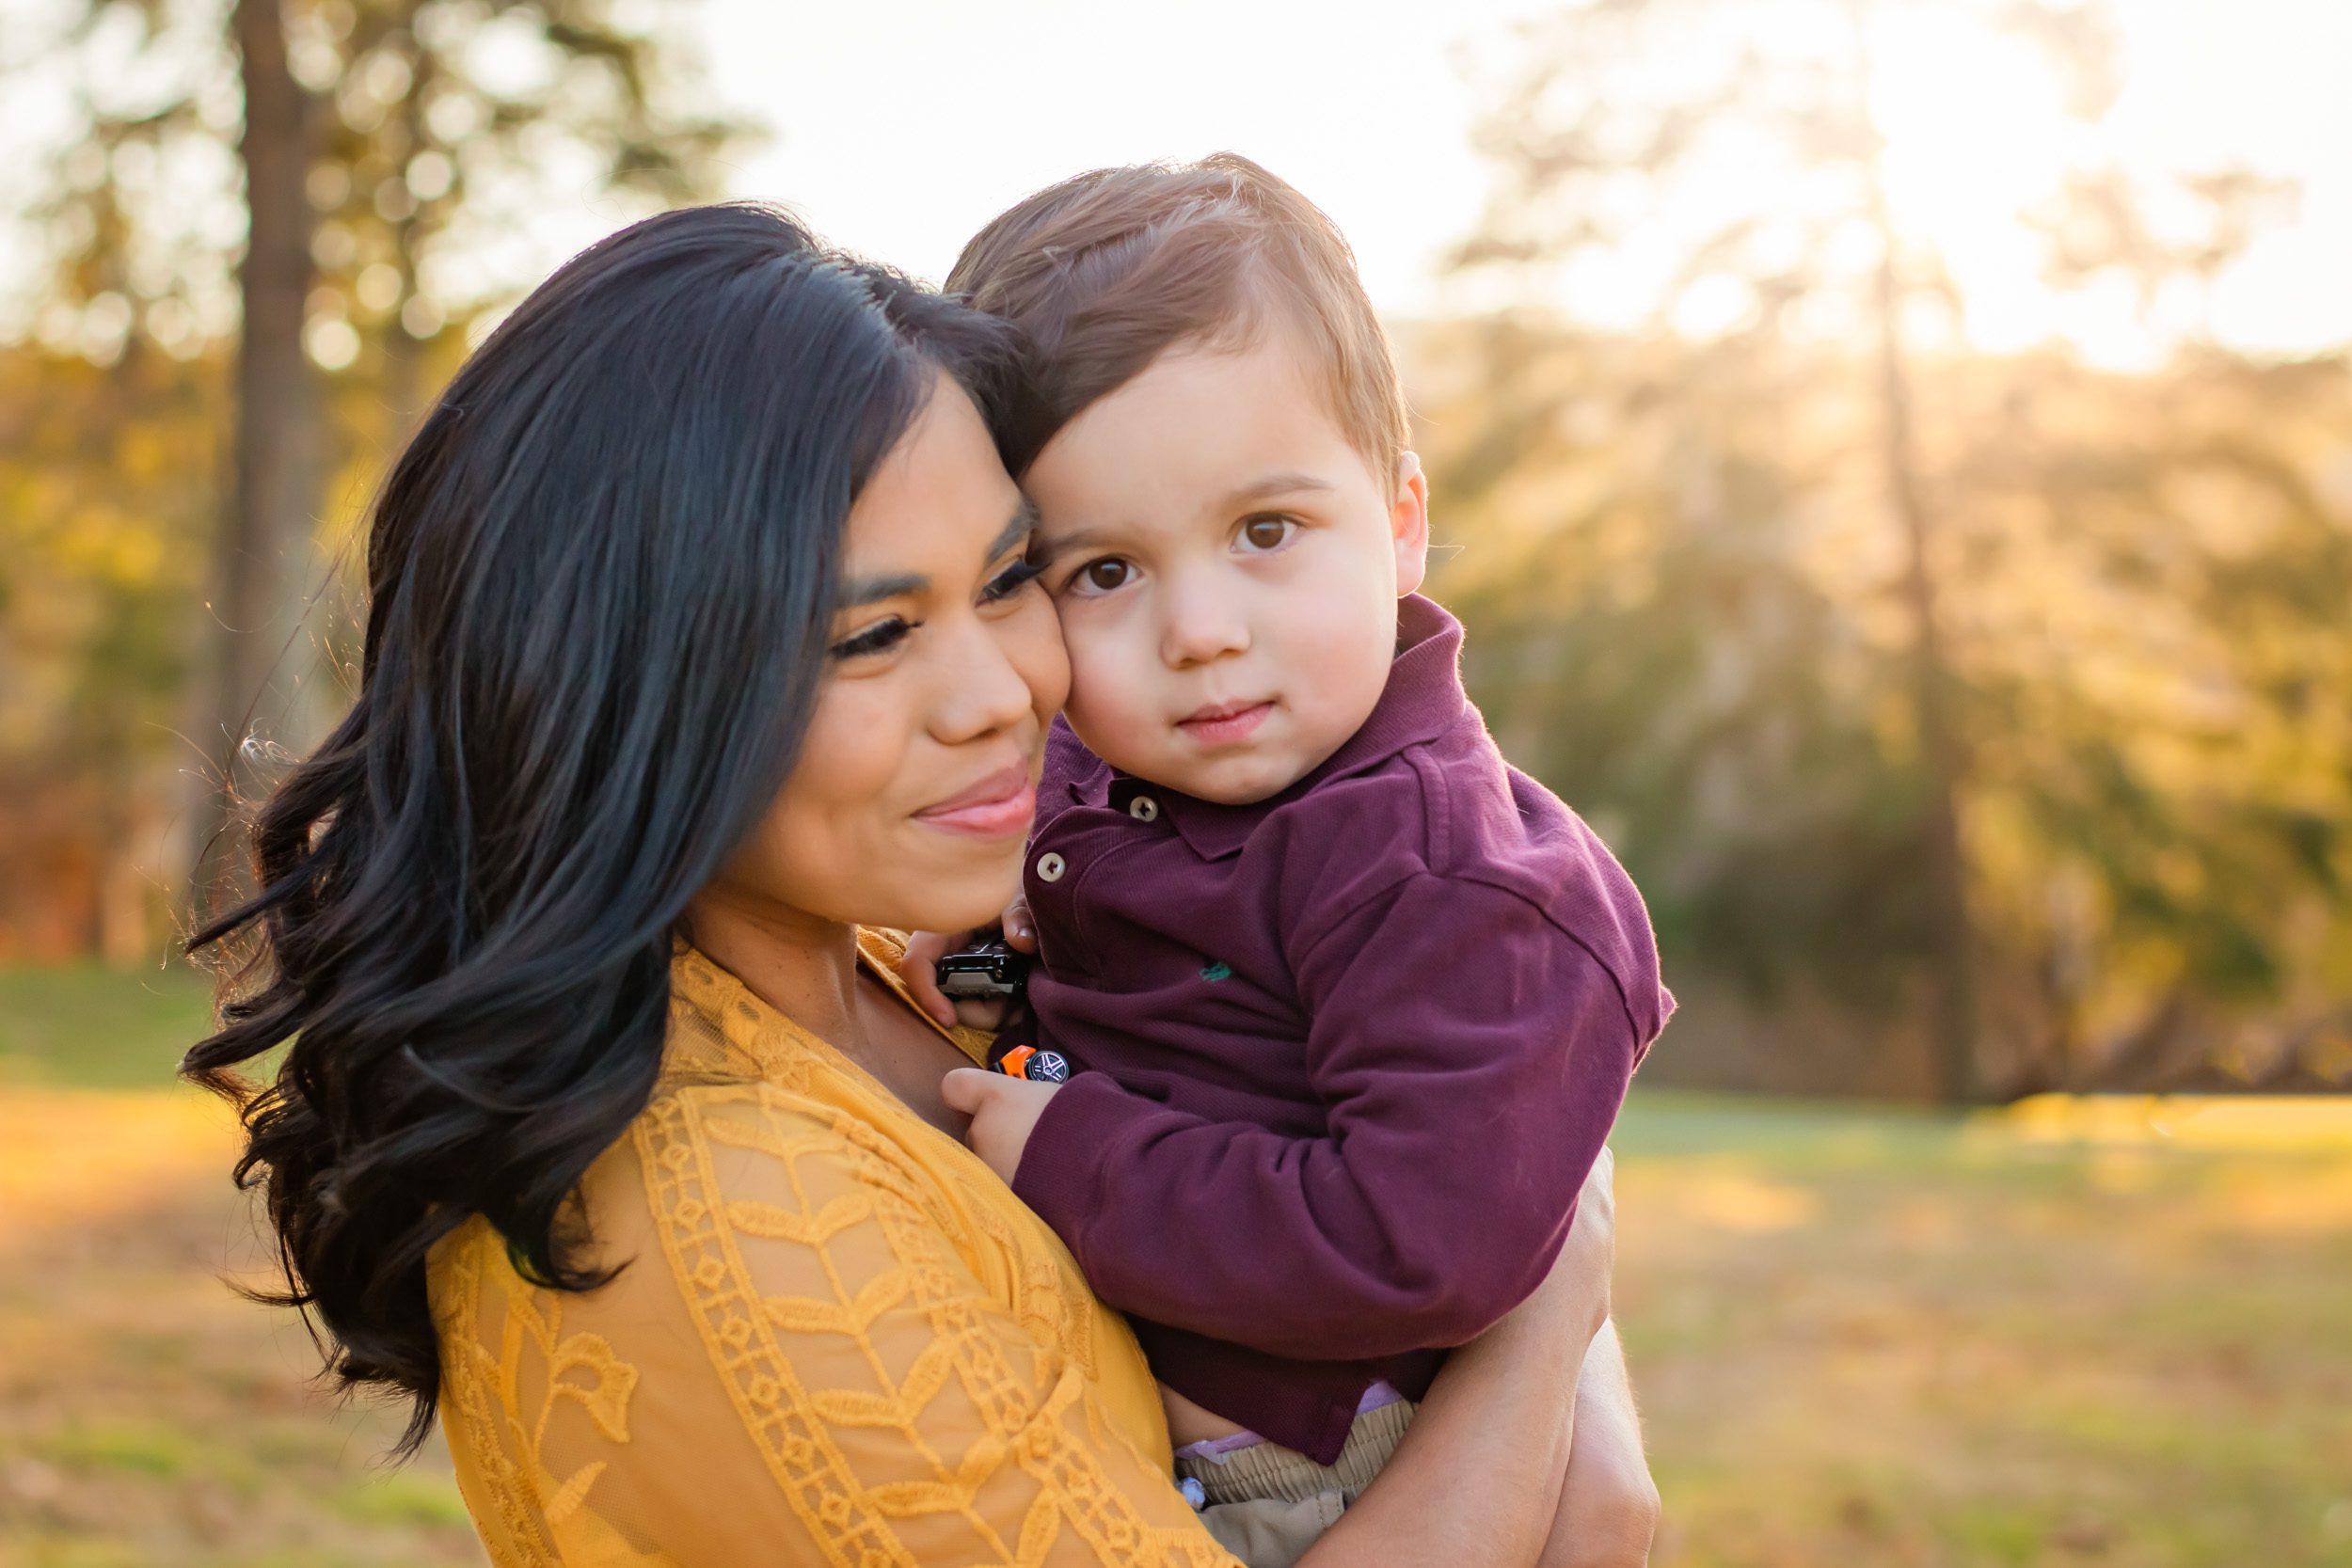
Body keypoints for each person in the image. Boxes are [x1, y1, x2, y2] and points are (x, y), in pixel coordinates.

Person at [181, 202, 1655, 1567]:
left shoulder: (901, 964)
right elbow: (1519, 1313)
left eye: (1009, 580)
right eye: (874, 637)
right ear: (633, 687)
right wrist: (1550, 1321)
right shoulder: (741, 1248)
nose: (1005, 696)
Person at [907, 156, 1672, 1564]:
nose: (1198, 630)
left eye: (1267, 532)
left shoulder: (1443, 872)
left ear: (1397, 520)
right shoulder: (1130, 771)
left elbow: (1420, 1243)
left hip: (1329, 1476)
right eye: (1105, 572)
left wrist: (1080, 1157)